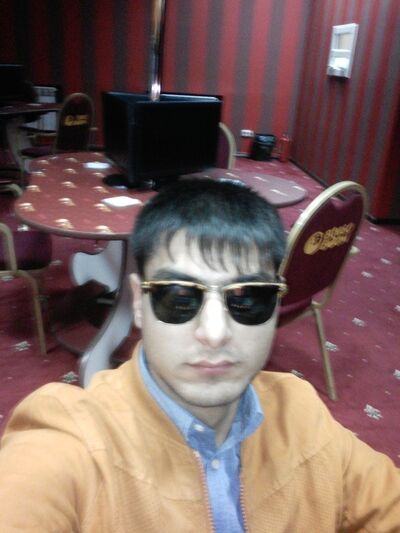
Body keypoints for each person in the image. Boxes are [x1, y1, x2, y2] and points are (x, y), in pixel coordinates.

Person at [0, 178, 399, 532]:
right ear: (138, 302)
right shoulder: (70, 436)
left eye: (248, 298)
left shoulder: (302, 410)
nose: (214, 333)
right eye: (179, 297)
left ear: (277, 301)